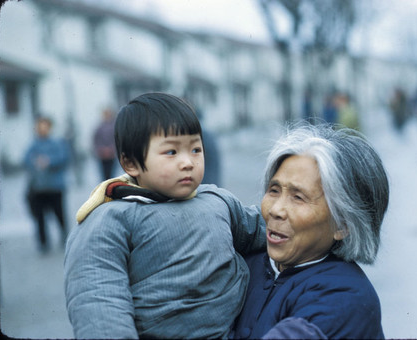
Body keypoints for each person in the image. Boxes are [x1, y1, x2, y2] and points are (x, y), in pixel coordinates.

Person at [64, 93, 266, 339]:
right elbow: (98, 300)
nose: (188, 162)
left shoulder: (217, 200)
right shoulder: (111, 220)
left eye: (195, 149)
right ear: (130, 164)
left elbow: (268, 229)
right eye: (171, 152)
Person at [232, 123, 389, 339]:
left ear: (342, 224)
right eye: (274, 190)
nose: (275, 210)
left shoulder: (346, 297)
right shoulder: (246, 264)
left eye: (298, 197)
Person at [24, 116, 70, 253]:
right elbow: (25, 159)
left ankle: (64, 237)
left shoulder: (57, 143)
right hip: (39, 188)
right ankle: (43, 242)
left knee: (59, 214)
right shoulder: (34, 144)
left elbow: (64, 158)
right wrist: (35, 162)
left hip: (55, 186)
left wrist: (49, 161)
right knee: (40, 217)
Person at [93, 107, 117, 180]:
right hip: (102, 155)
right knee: (104, 175)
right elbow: (96, 141)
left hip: (111, 155)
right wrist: (101, 150)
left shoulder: (115, 126)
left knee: (111, 174)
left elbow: (116, 139)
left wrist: (111, 149)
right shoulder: (99, 127)